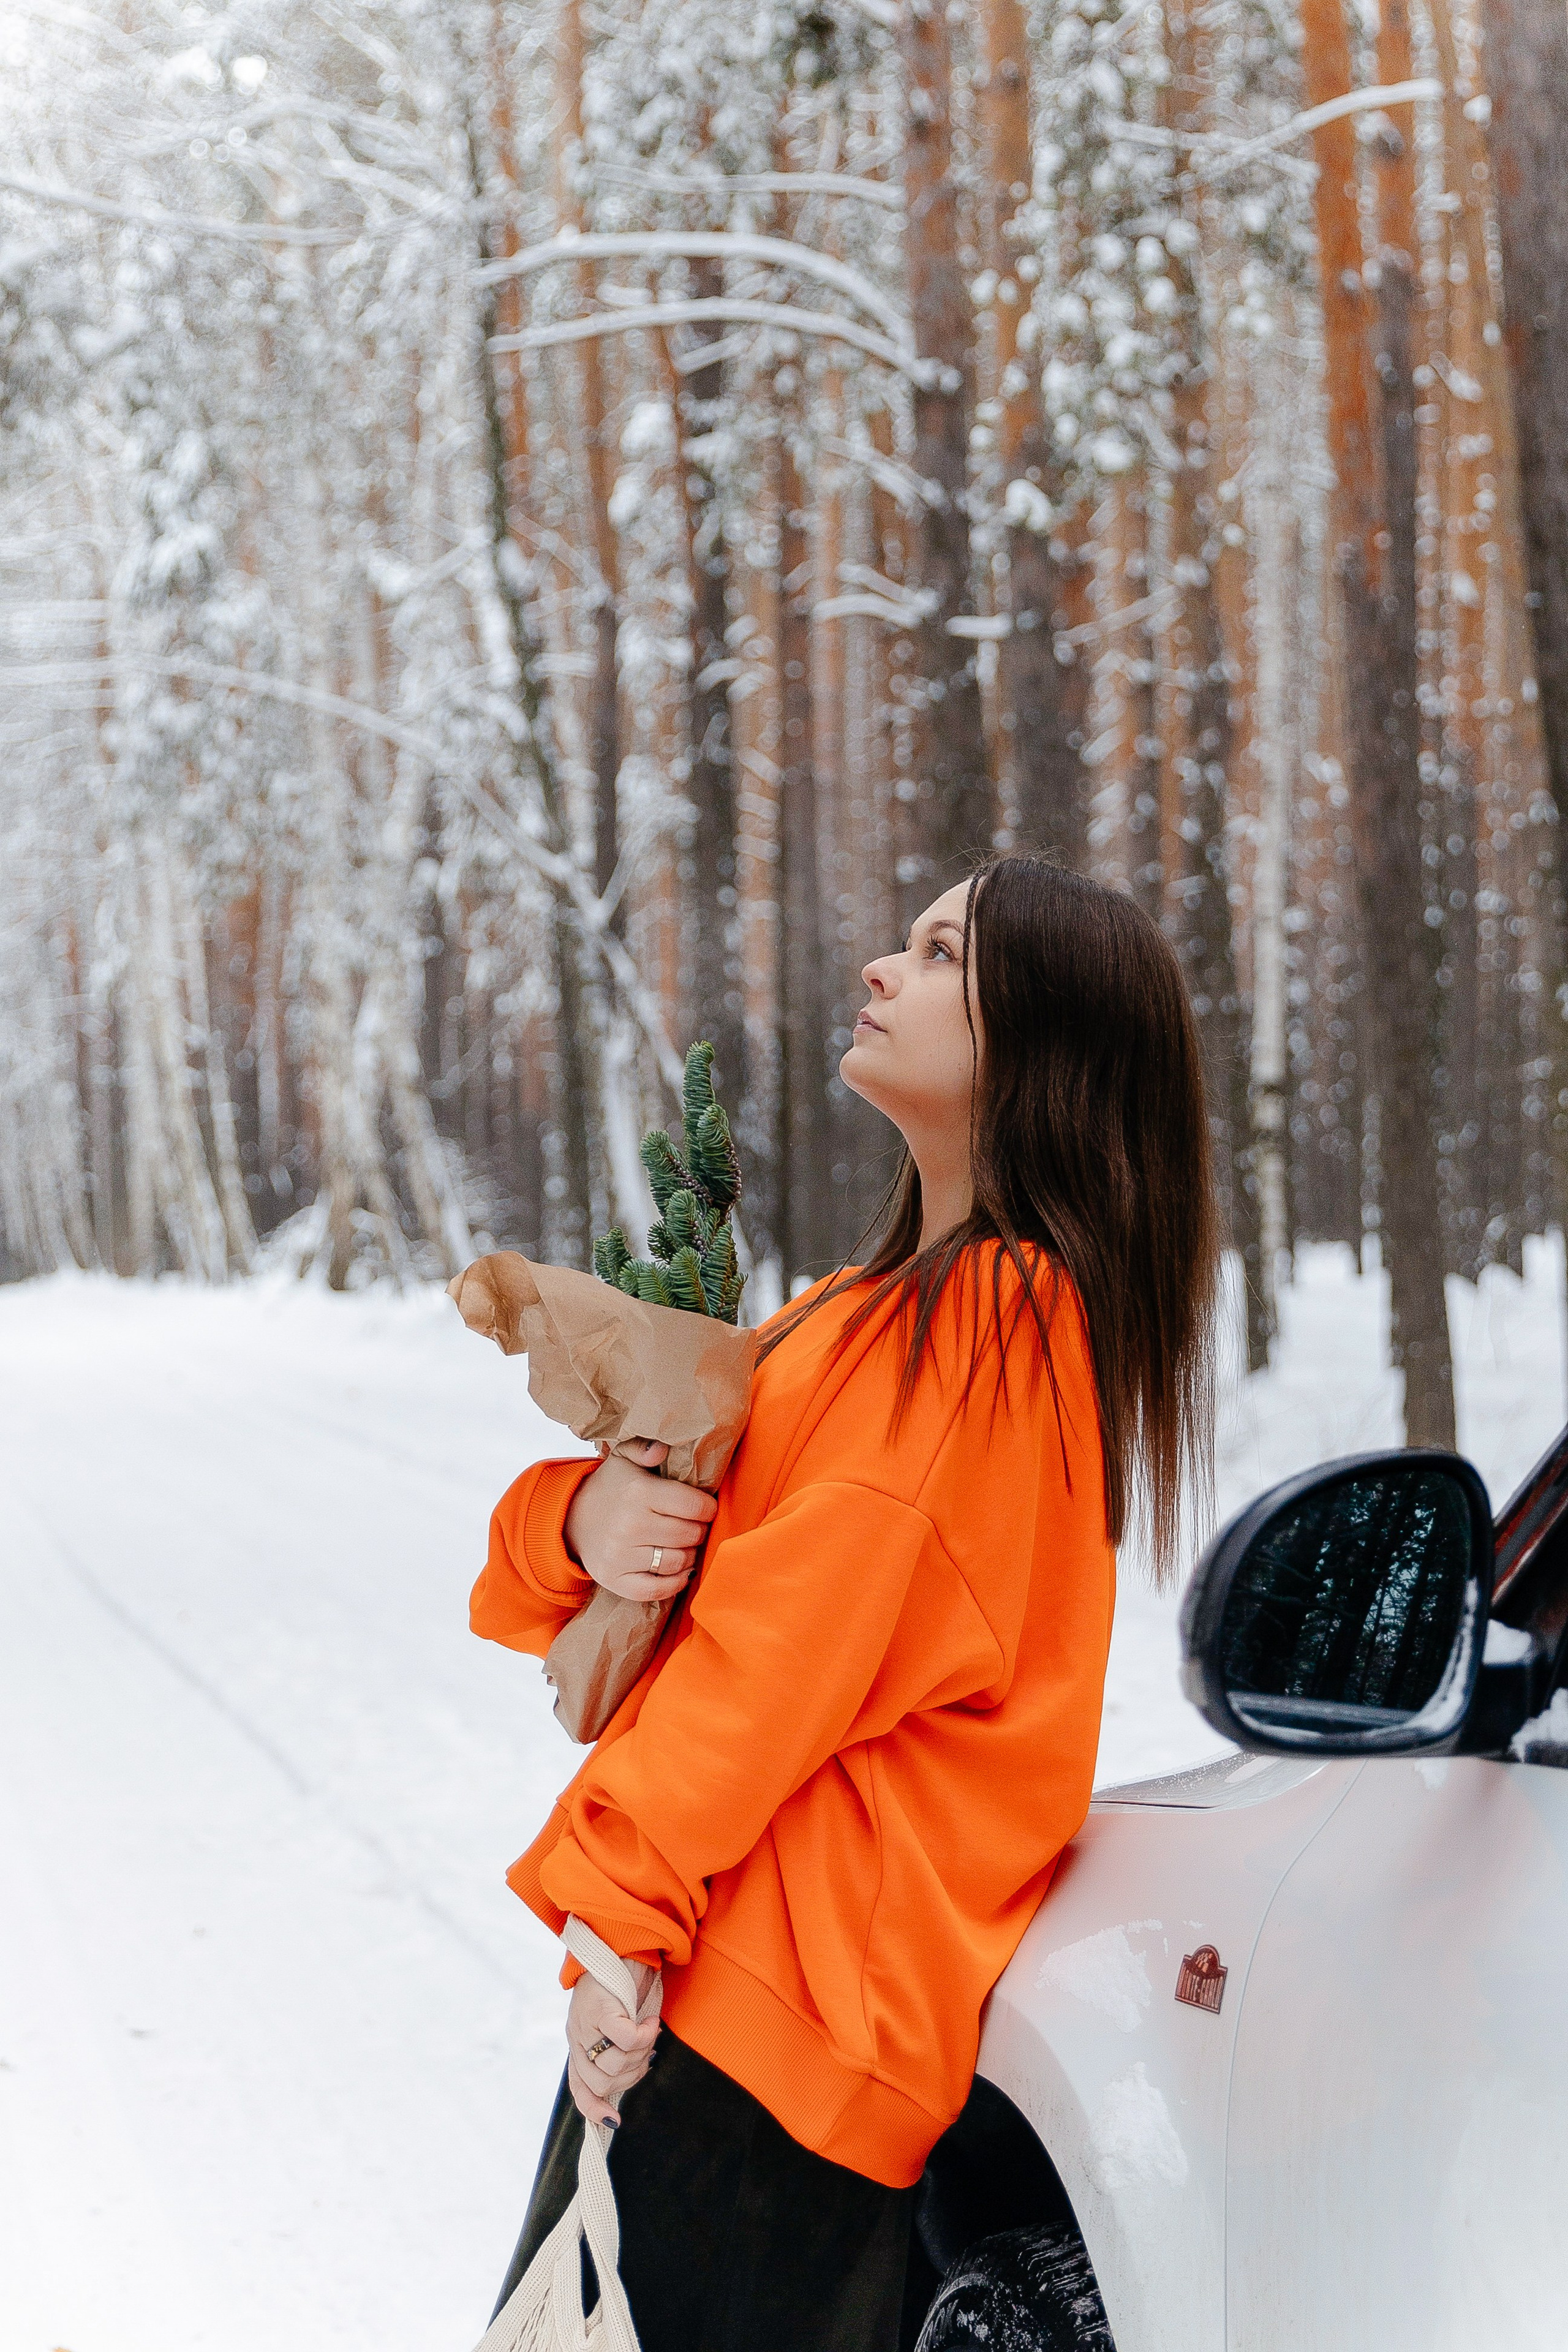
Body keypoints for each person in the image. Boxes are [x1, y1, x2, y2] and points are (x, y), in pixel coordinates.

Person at [469, 851, 1218, 2352]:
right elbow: (681, 1580)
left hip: (781, 2041)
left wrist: (616, 1918)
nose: (882, 969)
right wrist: (581, 1516)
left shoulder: (995, 1330)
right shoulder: (854, 1313)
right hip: (731, 2005)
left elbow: (773, 1661)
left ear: (1045, 1046)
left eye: (941, 955)